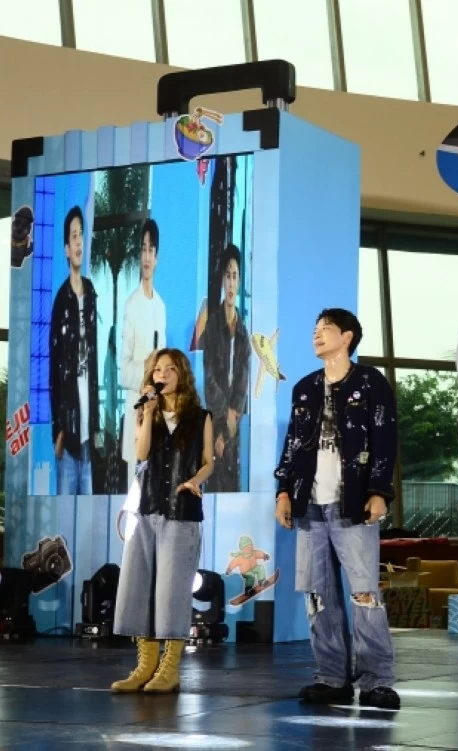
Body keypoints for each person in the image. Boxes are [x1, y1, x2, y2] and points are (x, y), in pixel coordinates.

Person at [274, 309, 401, 710]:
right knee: (317, 594)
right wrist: (283, 491)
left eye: (325, 329)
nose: (317, 335)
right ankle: (331, 676)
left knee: (364, 592)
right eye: (314, 330)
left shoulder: (370, 382)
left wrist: (380, 490)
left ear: (347, 337)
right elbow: (293, 445)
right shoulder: (305, 388)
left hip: (353, 504)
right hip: (309, 505)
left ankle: (377, 679)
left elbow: (385, 437)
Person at [111, 348, 214, 694]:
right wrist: (146, 414)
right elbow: (140, 454)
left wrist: (196, 480)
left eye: (170, 369)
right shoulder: (145, 412)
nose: (163, 374)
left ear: (182, 374)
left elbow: (207, 461)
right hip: (147, 506)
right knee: (138, 585)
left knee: (171, 591)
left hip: (182, 510)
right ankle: (145, 666)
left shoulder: (200, 416)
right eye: (158, 369)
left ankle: (169, 669)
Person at [49, 205, 99, 495]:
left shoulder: (91, 293)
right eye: (74, 236)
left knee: (89, 521)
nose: (79, 242)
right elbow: (54, 371)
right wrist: (58, 430)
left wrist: (94, 424)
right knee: (65, 523)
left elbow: (92, 365)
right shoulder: (60, 301)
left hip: (87, 440)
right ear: (67, 250)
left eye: (82, 235)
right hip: (67, 438)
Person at [194, 244, 251, 492]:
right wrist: (220, 424)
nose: (230, 283)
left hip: (233, 427)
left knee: (233, 485)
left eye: (235, 276)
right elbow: (208, 380)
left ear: (239, 282)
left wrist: (232, 419)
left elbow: (242, 383)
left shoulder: (243, 332)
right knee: (212, 482)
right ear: (222, 281)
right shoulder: (211, 327)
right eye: (227, 276)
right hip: (212, 421)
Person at [120, 219, 167, 491]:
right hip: (137, 415)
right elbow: (124, 370)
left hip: (160, 417)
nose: (147, 256)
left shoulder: (161, 307)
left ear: (157, 258)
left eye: (151, 250)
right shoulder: (131, 305)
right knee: (135, 500)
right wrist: (148, 368)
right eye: (143, 249)